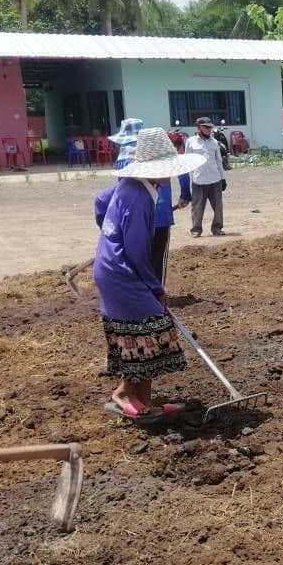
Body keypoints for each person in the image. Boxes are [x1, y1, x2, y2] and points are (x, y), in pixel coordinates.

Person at [93, 128, 205, 420]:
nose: (168, 176)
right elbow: (136, 250)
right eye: (165, 170)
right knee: (151, 331)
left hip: (114, 268)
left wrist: (108, 234)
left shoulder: (131, 185)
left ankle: (145, 400)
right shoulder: (139, 196)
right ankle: (122, 395)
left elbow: (100, 203)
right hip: (121, 273)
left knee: (149, 331)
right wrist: (155, 287)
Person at [150, 132, 191, 283]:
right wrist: (185, 196)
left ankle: (142, 293)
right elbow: (183, 175)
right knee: (159, 256)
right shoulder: (172, 160)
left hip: (140, 214)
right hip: (161, 215)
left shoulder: (143, 159)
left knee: (142, 255)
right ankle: (157, 292)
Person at [185, 119, 227, 238]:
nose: (209, 129)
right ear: (198, 128)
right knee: (197, 206)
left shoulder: (214, 142)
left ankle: (217, 228)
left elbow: (219, 161)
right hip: (198, 180)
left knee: (218, 206)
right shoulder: (190, 142)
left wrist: (223, 178)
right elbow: (187, 162)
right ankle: (196, 230)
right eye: (206, 127)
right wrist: (189, 180)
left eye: (210, 127)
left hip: (215, 179)